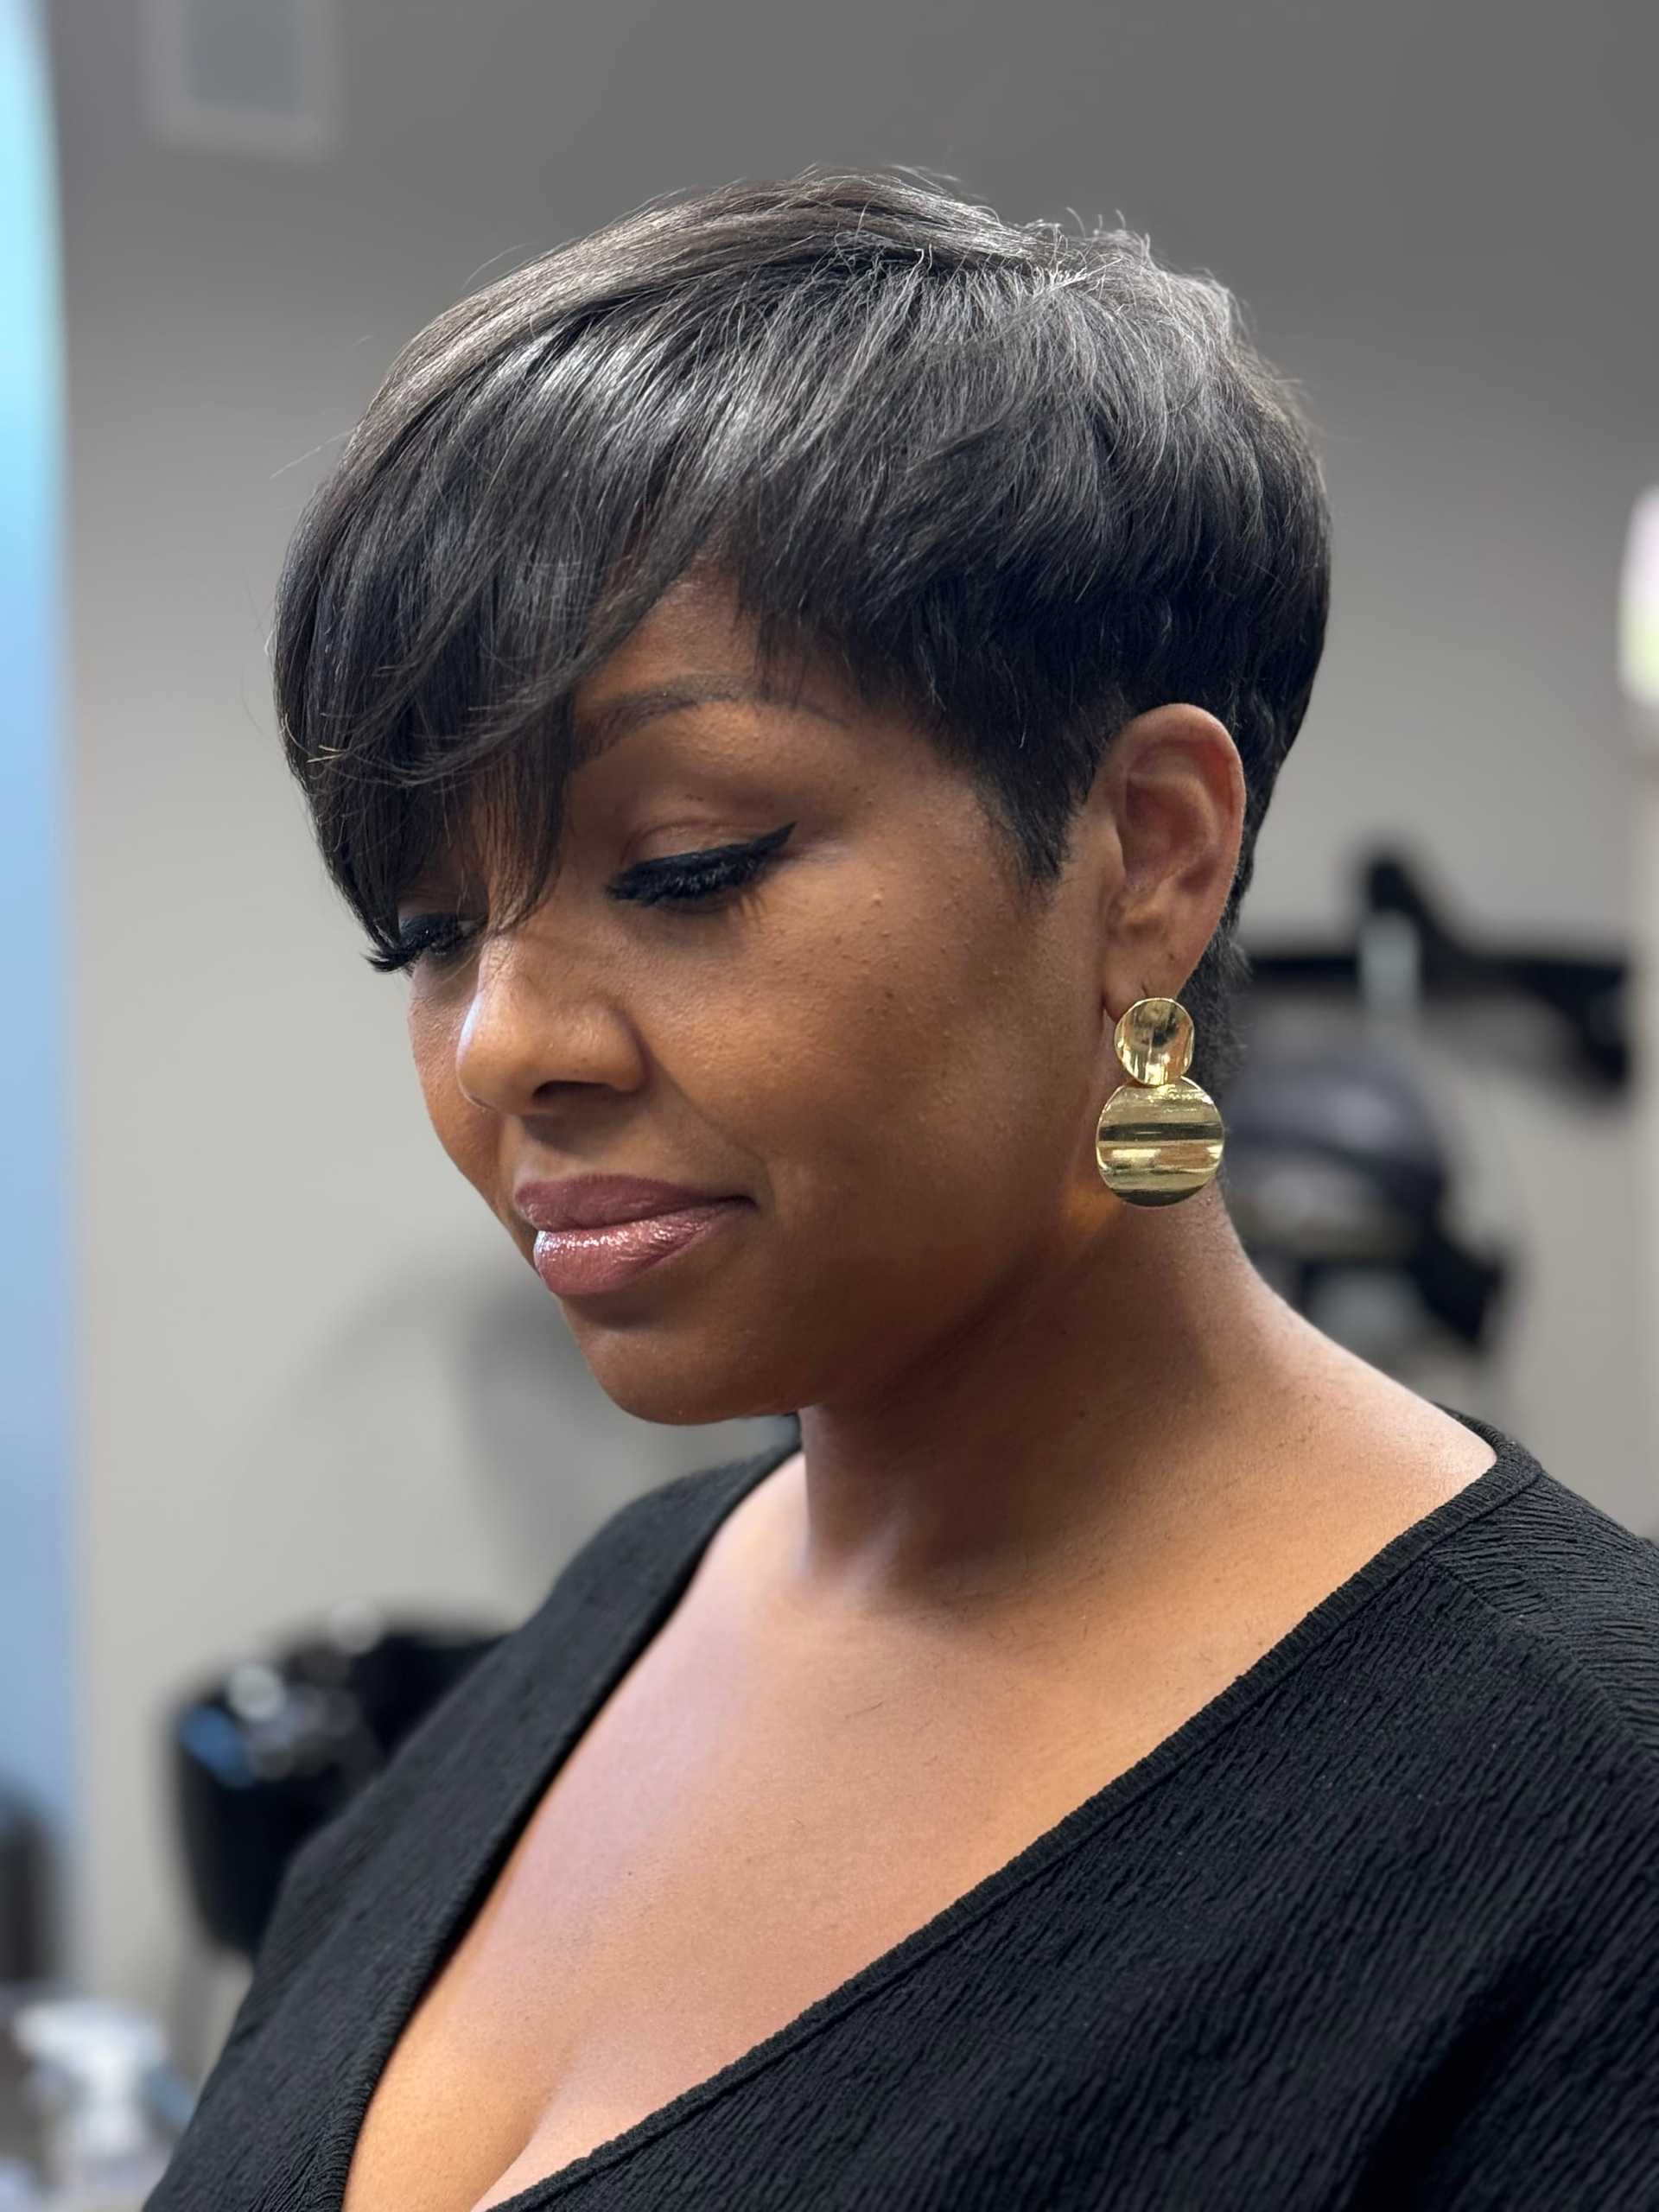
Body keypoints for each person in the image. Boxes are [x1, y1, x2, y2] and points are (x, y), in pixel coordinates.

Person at [148, 168, 1659, 2212]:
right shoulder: (603, 1625)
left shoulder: (1580, 1817)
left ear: (1148, 853)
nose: (506, 1042)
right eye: (422, 930)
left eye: (684, 864)